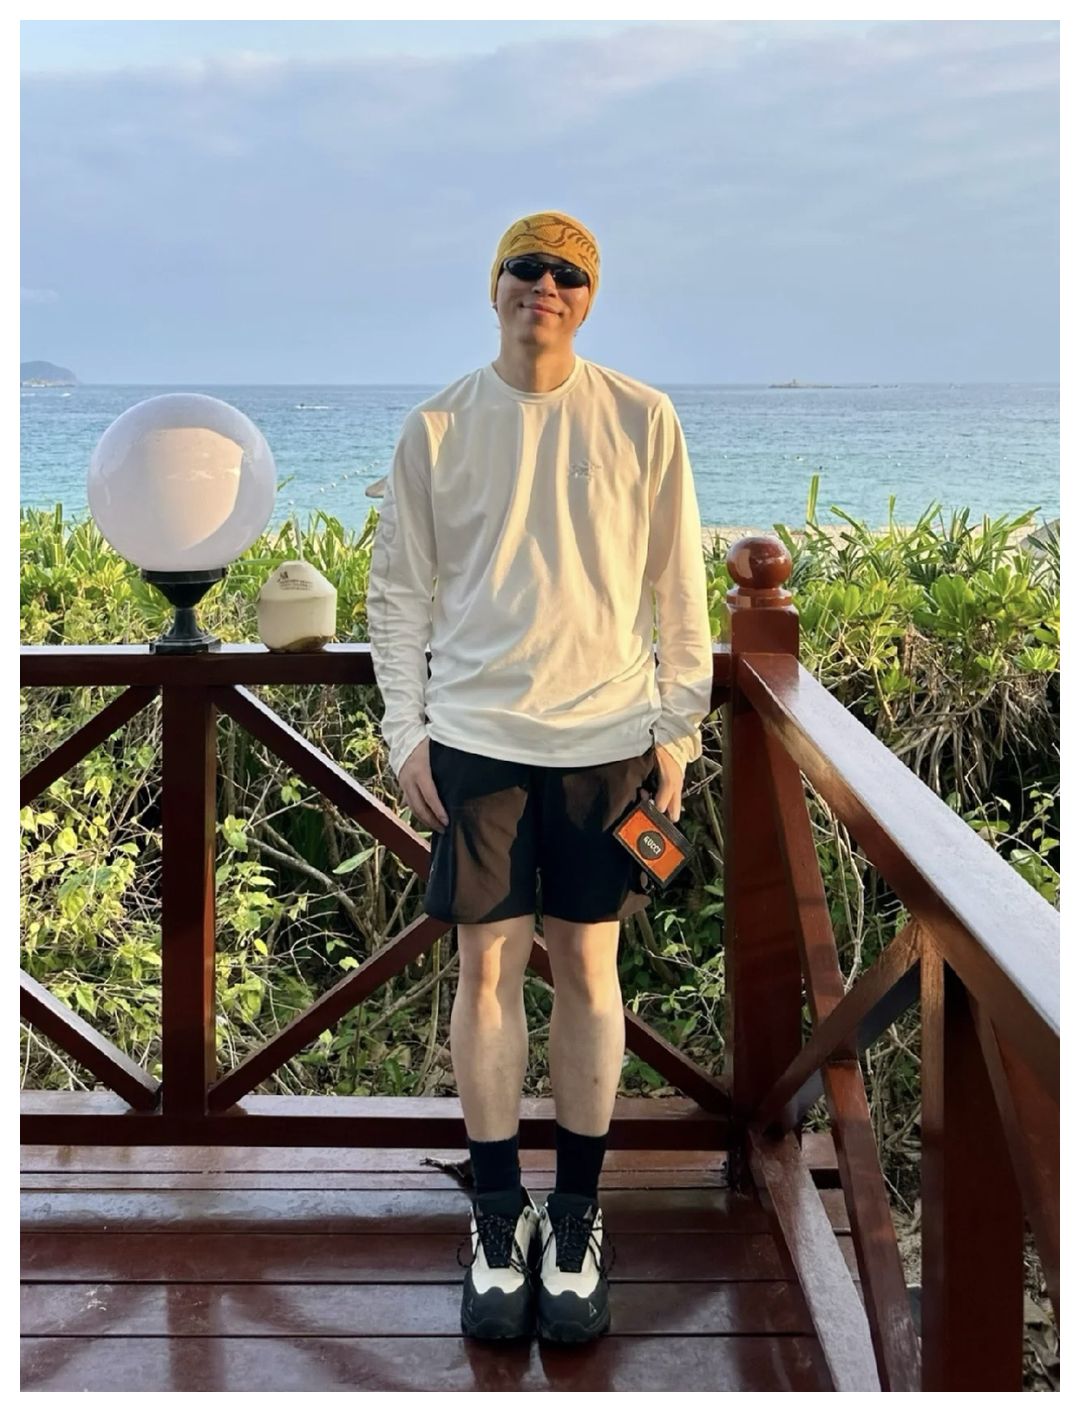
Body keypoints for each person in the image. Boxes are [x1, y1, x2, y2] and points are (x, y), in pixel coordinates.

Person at [366, 210, 713, 1344]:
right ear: (495, 285)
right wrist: (405, 733)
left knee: (591, 973)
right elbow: (399, 591)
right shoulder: (437, 426)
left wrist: (677, 731)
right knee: (485, 971)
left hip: (607, 740)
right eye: (526, 266)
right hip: (475, 739)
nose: (545, 286)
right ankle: (495, 1211)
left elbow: (678, 587)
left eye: (569, 273)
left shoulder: (643, 417)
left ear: (589, 297)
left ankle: (575, 1215)